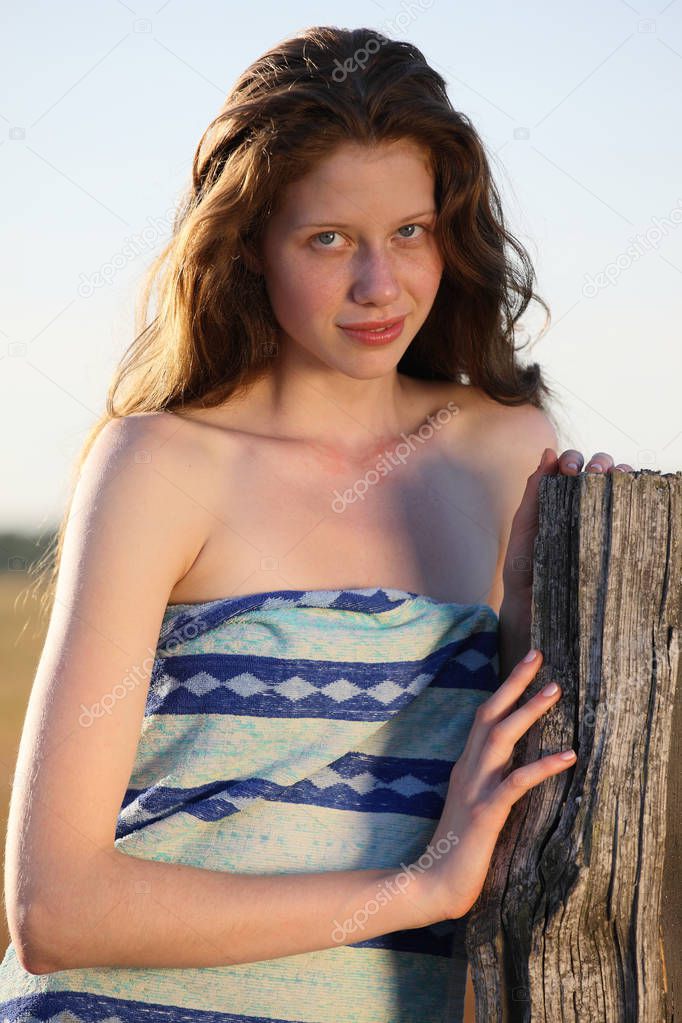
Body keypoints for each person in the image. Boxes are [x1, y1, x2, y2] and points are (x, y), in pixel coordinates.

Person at [0, 24, 633, 1023]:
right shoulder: (162, 464)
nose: (379, 286)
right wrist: (414, 890)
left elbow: (551, 798)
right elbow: (54, 907)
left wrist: (581, 589)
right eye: (328, 238)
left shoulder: (504, 453)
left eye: (410, 232)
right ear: (249, 246)